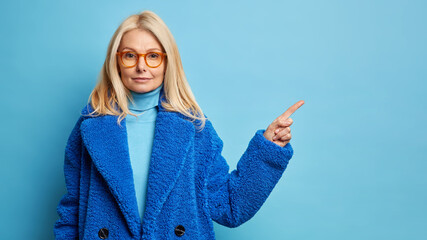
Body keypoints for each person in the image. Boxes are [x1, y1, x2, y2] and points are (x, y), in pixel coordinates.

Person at [53, 10, 304, 240]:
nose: (141, 66)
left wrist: (269, 150)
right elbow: (73, 211)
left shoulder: (193, 128)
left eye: (153, 56)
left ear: (167, 62)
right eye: (130, 55)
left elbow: (229, 205)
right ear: (116, 61)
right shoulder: (90, 127)